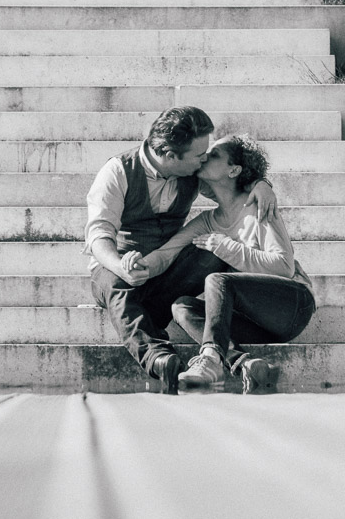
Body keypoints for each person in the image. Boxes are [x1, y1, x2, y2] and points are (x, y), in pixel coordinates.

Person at [85, 108, 276, 394]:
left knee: (212, 253)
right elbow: (98, 235)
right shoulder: (118, 172)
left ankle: (154, 321)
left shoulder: (192, 172)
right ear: (171, 156)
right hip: (120, 273)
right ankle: (160, 359)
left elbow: (233, 181)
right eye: (199, 155)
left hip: (166, 274)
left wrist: (262, 184)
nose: (205, 158)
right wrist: (120, 265)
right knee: (115, 284)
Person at [140, 134, 316, 393]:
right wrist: (126, 267)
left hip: (292, 306)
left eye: (213, 155)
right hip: (253, 323)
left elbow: (283, 267)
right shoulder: (208, 220)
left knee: (217, 280)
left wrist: (227, 247)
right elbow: (168, 252)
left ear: (233, 170)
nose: (203, 157)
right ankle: (245, 362)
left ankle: (210, 360)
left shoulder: (258, 206)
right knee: (181, 307)